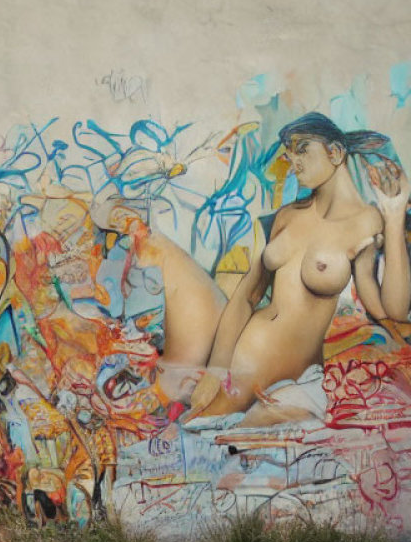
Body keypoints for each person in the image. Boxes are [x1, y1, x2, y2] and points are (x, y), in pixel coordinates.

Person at [96, 112, 411, 426]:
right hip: (234, 362)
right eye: (289, 153)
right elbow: (247, 296)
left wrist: (395, 217)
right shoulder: (288, 215)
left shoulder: (365, 222)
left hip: (289, 379)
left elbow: (392, 310)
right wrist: (216, 372)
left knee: (206, 439)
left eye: (302, 149)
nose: (294, 162)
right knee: (184, 429)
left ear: (336, 152)